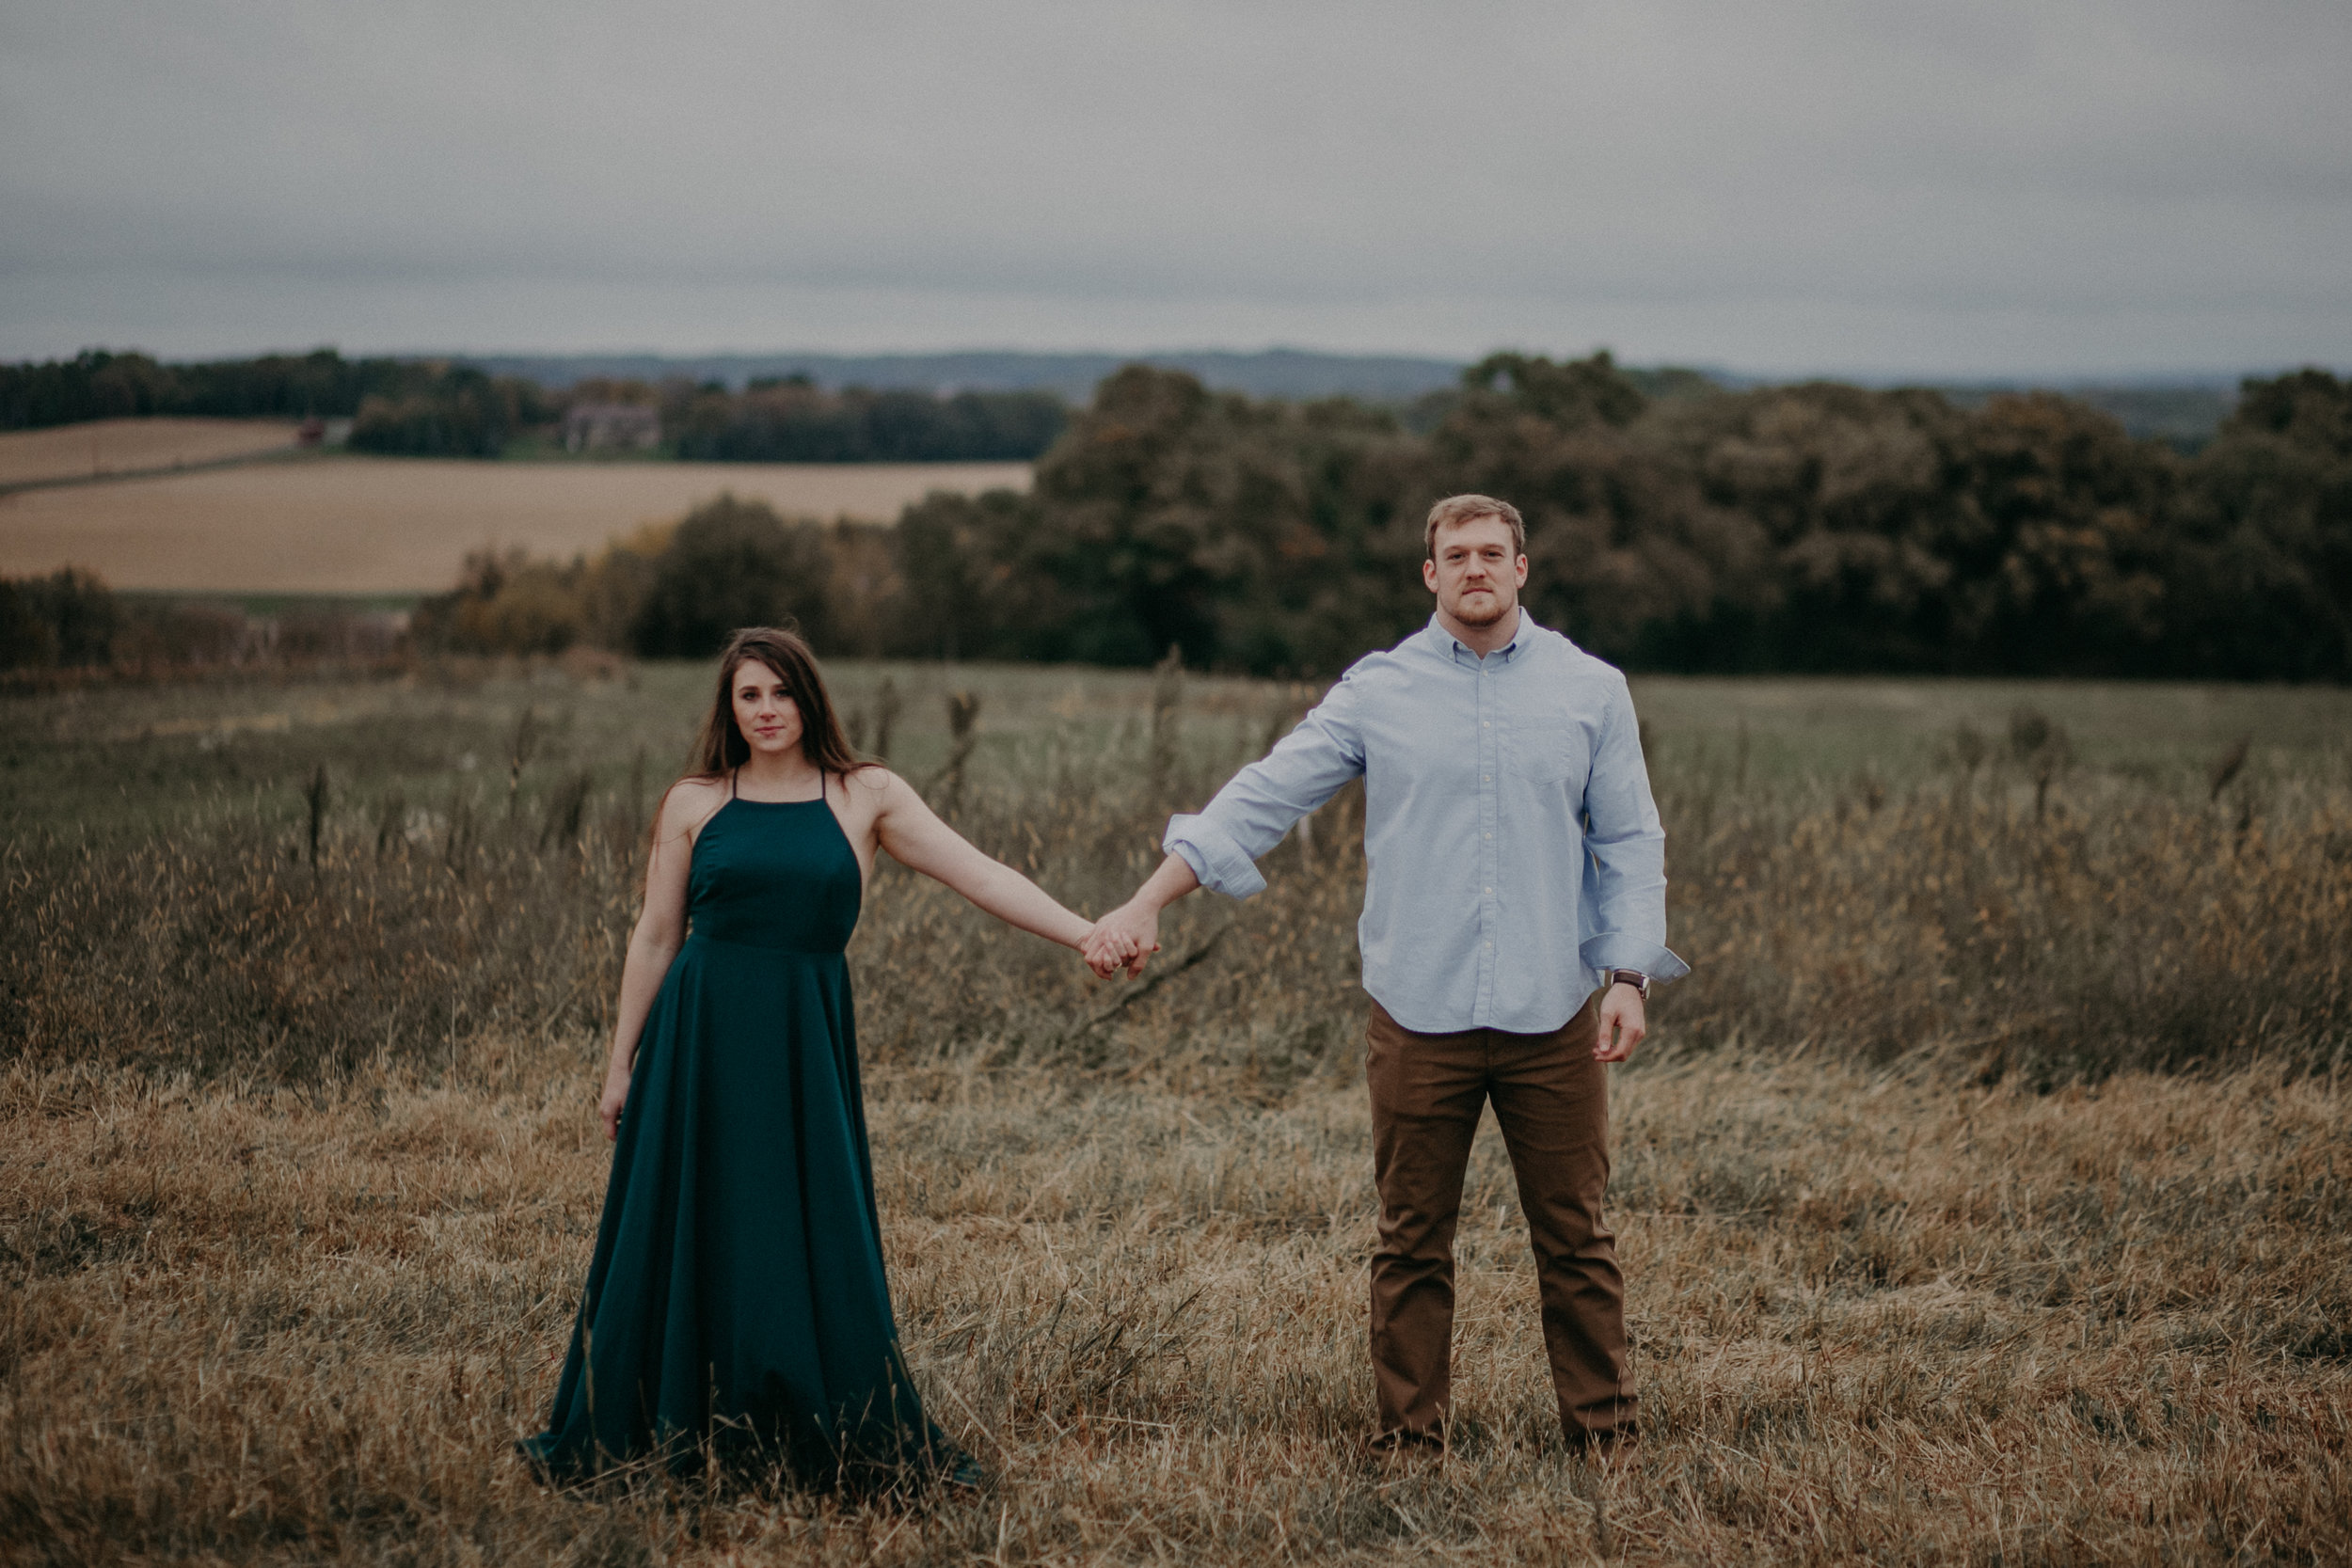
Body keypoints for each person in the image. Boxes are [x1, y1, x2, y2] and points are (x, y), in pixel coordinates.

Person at [1084, 494, 1686, 1464]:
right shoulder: (1380, 688)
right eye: (1457, 554)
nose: (1476, 567)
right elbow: (1263, 795)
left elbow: (1628, 836)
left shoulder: (1590, 688)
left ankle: (1606, 1439)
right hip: (1418, 1011)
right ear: (1430, 573)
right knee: (1411, 1239)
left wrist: (1629, 973)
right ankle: (1409, 1439)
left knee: (1576, 1237)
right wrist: (1149, 899)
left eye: (1493, 552)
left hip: (1552, 1008)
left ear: (1522, 567)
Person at [522, 626, 1134, 1490]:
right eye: (749, 696)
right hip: (697, 1038)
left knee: (796, 1221)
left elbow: (980, 873)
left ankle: (793, 1415)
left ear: (810, 698)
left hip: (802, 1038)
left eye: (780, 692)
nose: (767, 710)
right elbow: (656, 936)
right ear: (728, 709)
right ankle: (670, 1421)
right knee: (686, 1221)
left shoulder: (865, 794)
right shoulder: (694, 801)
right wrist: (621, 1064)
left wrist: (1086, 933)